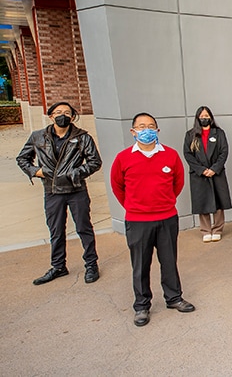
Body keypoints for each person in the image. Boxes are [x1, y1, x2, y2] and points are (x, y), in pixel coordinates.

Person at [110, 112, 195, 327]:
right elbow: (118, 187)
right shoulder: (123, 158)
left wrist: (163, 202)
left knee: (168, 261)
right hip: (137, 221)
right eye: (141, 126)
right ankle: (141, 305)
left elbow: (178, 184)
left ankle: (174, 297)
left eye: (151, 126)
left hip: (166, 217)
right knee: (140, 264)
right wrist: (135, 207)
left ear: (157, 130)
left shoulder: (171, 155)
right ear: (133, 131)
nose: (146, 130)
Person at [16, 102, 102, 285]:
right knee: (56, 230)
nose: (62, 115)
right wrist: (36, 171)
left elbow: (95, 162)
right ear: (51, 116)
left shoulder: (82, 137)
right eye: (58, 112)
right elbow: (22, 158)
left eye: (67, 112)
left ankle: (91, 264)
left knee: (84, 228)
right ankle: (58, 266)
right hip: (52, 190)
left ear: (72, 116)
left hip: (76, 189)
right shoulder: (38, 137)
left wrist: (74, 173)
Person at [183, 106, 232, 242]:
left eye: (207, 116)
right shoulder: (190, 135)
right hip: (199, 174)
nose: (204, 118)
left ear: (211, 117)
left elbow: (224, 152)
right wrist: (202, 170)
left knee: (218, 201)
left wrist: (214, 169)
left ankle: (217, 229)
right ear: (197, 118)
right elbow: (188, 154)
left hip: (216, 173)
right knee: (202, 202)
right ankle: (206, 230)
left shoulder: (219, 133)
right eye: (202, 116)